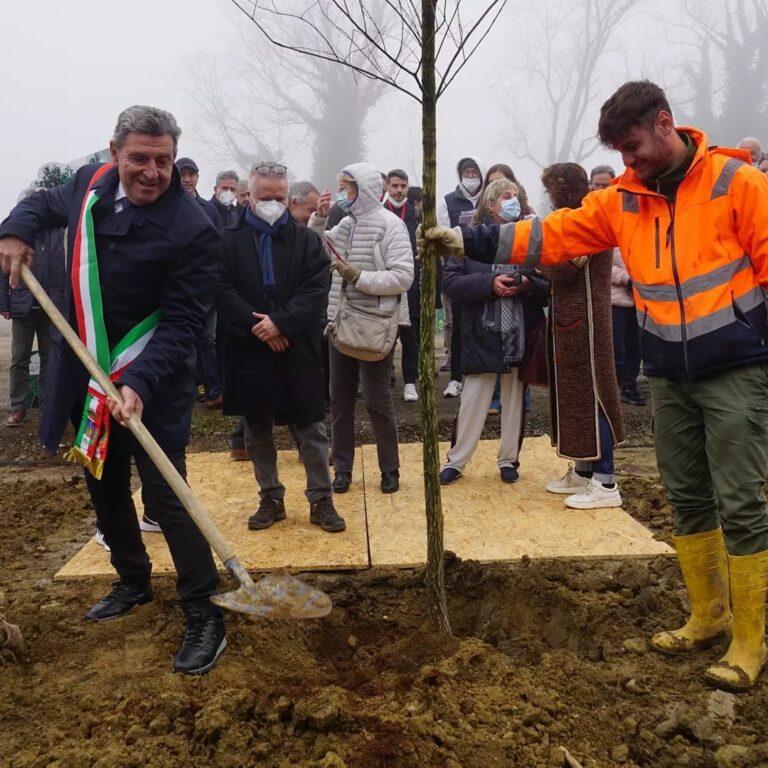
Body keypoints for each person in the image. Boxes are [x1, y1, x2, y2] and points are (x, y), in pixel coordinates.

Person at [429, 80, 768, 692]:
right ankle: (707, 615)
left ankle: (750, 638)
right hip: (667, 370)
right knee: (687, 495)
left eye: (634, 147)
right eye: (618, 152)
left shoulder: (736, 183)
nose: (627, 162)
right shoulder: (624, 199)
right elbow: (552, 236)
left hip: (736, 368)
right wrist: (471, 240)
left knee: (742, 500)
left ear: (666, 123)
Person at [0, 105, 227, 676]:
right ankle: (132, 580)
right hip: (86, 370)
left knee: (166, 494)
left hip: (155, 377)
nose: (152, 172)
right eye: (140, 159)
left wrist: (139, 384)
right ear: (114, 153)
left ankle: (204, 611)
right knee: (101, 480)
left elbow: (184, 322)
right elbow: (38, 204)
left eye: (164, 160)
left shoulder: (194, 228)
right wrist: (13, 232)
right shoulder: (87, 185)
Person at [216, 162, 345, 533]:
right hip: (249, 346)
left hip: (296, 345)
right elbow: (220, 287)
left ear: (287, 197)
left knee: (311, 428)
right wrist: (260, 326)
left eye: (278, 197)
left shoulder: (306, 240)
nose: (272, 203)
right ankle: (270, 496)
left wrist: (282, 322)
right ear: (249, 197)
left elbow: (317, 287)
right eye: (264, 197)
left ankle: (321, 499)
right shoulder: (228, 239)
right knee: (256, 428)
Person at [311, 163, 413, 494]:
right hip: (340, 323)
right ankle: (342, 468)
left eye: (347, 187)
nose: (343, 193)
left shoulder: (391, 227)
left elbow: (402, 276)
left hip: (375, 326)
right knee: (339, 401)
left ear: (365, 189)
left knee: (377, 399)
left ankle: (390, 469)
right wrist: (319, 219)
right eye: (341, 187)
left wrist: (359, 277)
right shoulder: (345, 223)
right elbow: (317, 251)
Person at [439, 178, 548, 485]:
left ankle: (508, 460)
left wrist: (527, 285)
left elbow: (546, 286)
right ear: (490, 205)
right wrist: (489, 285)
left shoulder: (530, 238)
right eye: (507, 197)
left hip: (520, 335)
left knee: (515, 401)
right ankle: (456, 461)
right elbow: (450, 283)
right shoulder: (467, 239)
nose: (514, 201)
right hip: (481, 334)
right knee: (473, 400)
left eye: (517, 195)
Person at [536, 163, 625, 509]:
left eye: (551, 190)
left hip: (587, 322)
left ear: (564, 190)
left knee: (595, 397)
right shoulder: (574, 217)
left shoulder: (590, 220)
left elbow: (562, 268)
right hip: (572, 322)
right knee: (574, 399)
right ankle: (584, 469)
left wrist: (535, 255)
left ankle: (605, 481)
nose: (548, 196)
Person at [1, 189, 64, 427]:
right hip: (22, 306)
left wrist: (63, 302)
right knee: (19, 358)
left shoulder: (58, 233)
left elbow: (64, 269)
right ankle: (19, 407)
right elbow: (2, 271)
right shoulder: (17, 235)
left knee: (50, 358)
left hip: (51, 309)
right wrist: (4, 303)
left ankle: (48, 406)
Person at [175, 157, 223, 415]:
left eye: (191, 174)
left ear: (197, 176)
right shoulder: (167, 205)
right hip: (179, 285)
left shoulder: (208, 208)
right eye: (183, 174)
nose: (187, 178)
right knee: (184, 340)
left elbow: (217, 245)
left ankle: (214, 390)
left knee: (208, 340)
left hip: (207, 286)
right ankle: (191, 390)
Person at [438, 156, 486, 397]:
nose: (470, 176)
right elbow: (443, 237)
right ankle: (456, 377)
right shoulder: (448, 201)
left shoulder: (490, 197)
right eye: (465, 172)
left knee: (484, 324)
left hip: (486, 267)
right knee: (457, 326)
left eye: (473, 171)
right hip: (460, 270)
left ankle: (480, 377)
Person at [384, 169, 422, 403]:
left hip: (411, 281)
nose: (399, 190)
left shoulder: (417, 214)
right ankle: (383, 380)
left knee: (411, 334)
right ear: (387, 186)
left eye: (403, 186)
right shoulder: (378, 212)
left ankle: (410, 382)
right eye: (394, 185)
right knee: (384, 332)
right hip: (385, 280)